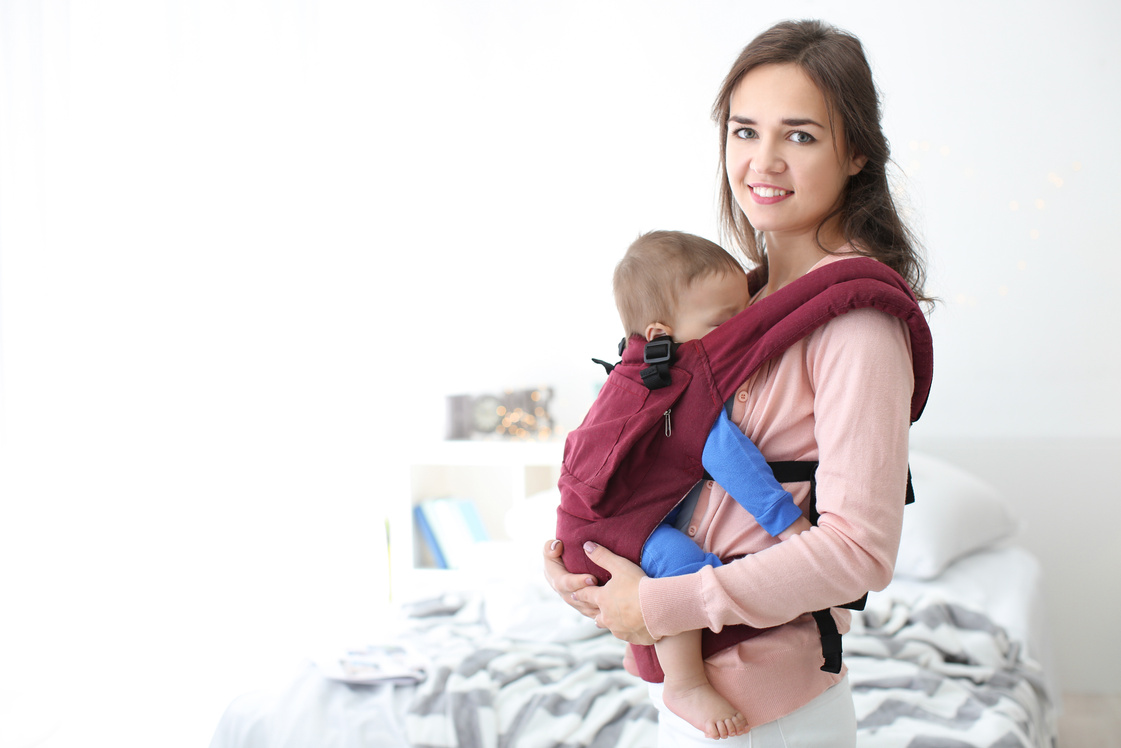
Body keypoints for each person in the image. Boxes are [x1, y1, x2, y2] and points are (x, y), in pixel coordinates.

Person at [544, 19, 932, 747]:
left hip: (771, 710)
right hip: (692, 698)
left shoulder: (854, 323)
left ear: (855, 154)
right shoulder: (729, 312)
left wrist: (660, 604)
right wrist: (588, 560)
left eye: (801, 136)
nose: (764, 161)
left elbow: (858, 552)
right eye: (745, 131)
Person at [574, 229, 813, 739]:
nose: (740, 329)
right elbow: (732, 460)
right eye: (723, 322)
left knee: (667, 561)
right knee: (685, 569)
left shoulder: (632, 374)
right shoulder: (682, 388)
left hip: (601, 526)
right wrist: (789, 525)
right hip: (609, 533)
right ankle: (682, 682)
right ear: (663, 334)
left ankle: (643, 650)